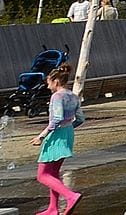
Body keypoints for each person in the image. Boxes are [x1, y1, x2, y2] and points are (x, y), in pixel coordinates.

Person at [34, 64, 82, 215]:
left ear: (55, 81)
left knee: (42, 175)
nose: (48, 87)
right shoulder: (73, 96)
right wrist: (68, 128)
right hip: (68, 134)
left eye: (48, 83)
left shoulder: (57, 96)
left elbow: (56, 119)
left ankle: (71, 196)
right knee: (53, 173)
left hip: (56, 135)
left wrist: (41, 136)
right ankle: (53, 208)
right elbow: (80, 118)